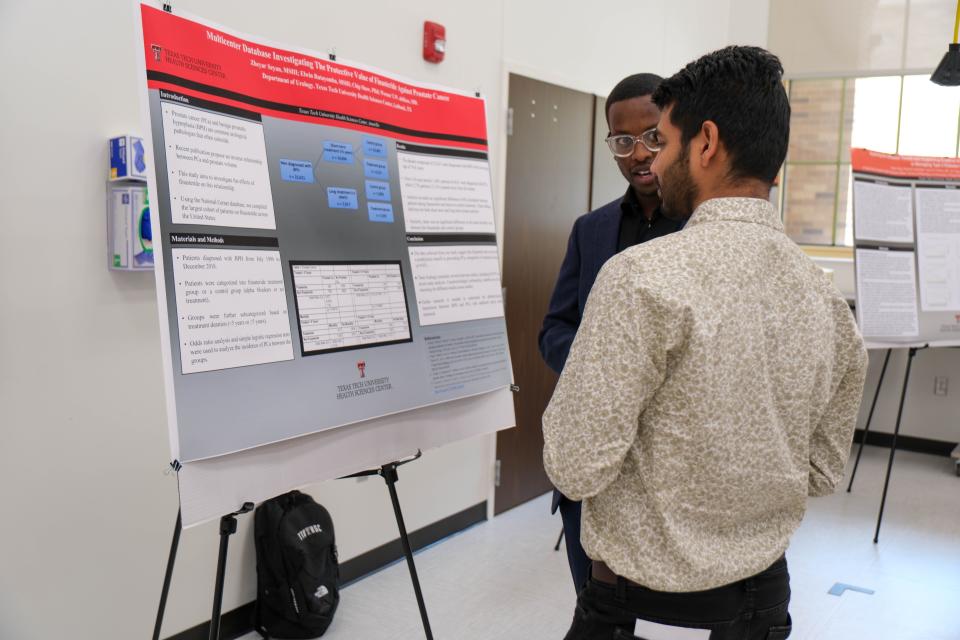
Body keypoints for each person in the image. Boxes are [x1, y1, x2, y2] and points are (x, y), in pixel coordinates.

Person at [542, 46, 868, 640]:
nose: (652, 162)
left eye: (662, 143)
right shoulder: (828, 305)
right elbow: (822, 471)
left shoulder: (640, 277)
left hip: (636, 600)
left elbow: (574, 463)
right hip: (762, 601)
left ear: (706, 143)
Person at [538, 72, 684, 593]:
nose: (639, 153)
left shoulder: (700, 227)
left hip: (669, 468)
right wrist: (600, 364)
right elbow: (553, 328)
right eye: (622, 141)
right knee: (596, 608)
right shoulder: (591, 229)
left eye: (652, 136)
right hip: (591, 464)